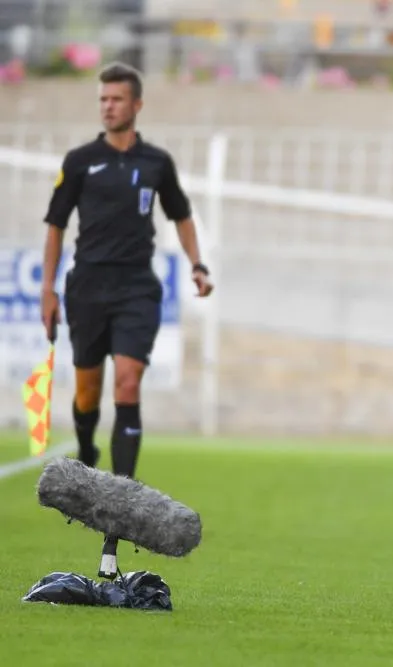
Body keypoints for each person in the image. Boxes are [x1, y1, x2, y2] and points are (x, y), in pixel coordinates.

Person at [40, 62, 213, 580]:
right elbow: (55, 225)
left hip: (138, 287)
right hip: (87, 286)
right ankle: (88, 449)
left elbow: (181, 214)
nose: (108, 106)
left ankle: (119, 512)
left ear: (136, 105)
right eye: (102, 99)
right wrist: (48, 290)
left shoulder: (157, 163)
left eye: (116, 99)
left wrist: (197, 264)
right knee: (88, 393)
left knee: (130, 382)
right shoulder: (79, 162)